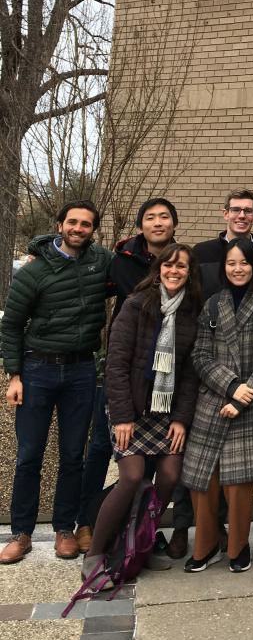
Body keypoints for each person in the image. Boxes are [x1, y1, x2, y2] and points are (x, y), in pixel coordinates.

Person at [82, 243, 203, 581]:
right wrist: (121, 417)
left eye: (182, 266)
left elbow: (192, 374)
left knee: (168, 476)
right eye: (169, 265)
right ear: (159, 269)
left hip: (167, 412)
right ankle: (95, 553)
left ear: (190, 272)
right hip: (131, 410)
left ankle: (140, 545)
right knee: (133, 477)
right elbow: (116, 365)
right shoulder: (136, 305)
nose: (175, 271)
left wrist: (180, 418)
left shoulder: (192, 312)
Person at [1, 202, 112, 566]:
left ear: (93, 229)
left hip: (81, 371)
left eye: (86, 224)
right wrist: (14, 375)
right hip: (37, 370)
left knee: (72, 455)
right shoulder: (33, 272)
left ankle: (65, 528)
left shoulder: (101, 262)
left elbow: (138, 264)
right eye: (73, 222)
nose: (79, 228)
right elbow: (11, 324)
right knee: (29, 455)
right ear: (60, 225)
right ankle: (22, 533)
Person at [75, 197, 181, 556]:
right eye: (150, 218)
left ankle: (139, 530)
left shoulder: (183, 263)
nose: (157, 223)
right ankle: (88, 522)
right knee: (105, 451)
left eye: (164, 217)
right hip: (128, 374)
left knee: (154, 468)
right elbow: (84, 276)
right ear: (141, 226)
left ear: (174, 224)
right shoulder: (121, 261)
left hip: (163, 386)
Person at [182, 237, 253, 573]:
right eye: (231, 263)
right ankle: (206, 544)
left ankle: (237, 547)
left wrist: (244, 395)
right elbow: (199, 354)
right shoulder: (212, 304)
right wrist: (230, 386)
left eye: (244, 263)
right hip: (214, 399)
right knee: (203, 478)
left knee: (239, 483)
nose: (237, 269)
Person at [193, 189, 253, 297]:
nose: (241, 215)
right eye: (235, 210)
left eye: (248, 211)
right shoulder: (202, 252)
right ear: (226, 214)